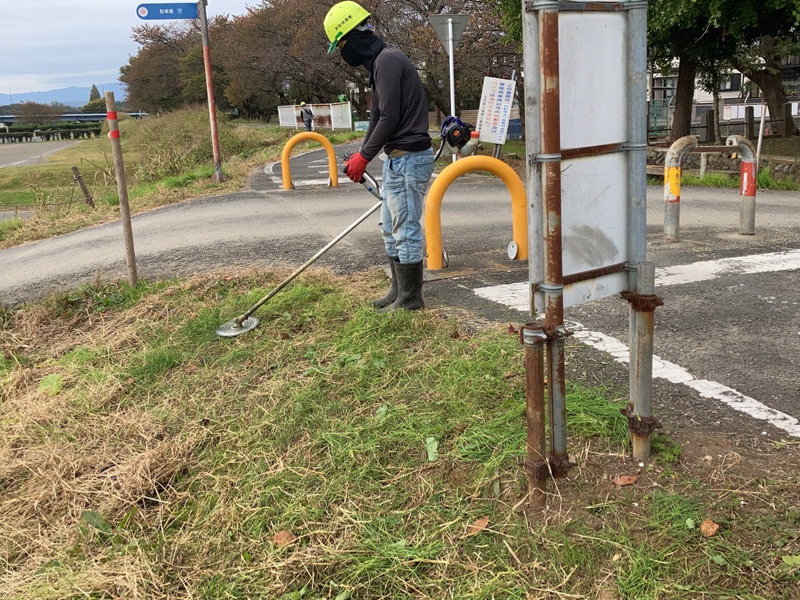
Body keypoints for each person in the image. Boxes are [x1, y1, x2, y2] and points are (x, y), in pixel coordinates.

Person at [324, 1, 435, 312]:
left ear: (354, 37)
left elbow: (389, 117)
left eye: (342, 44)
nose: (343, 54)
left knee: (405, 229)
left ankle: (410, 301)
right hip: (397, 159)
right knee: (389, 228)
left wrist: (364, 158)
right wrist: (362, 154)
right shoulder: (379, 64)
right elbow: (377, 119)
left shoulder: (387, 61)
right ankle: (398, 292)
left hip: (409, 158)